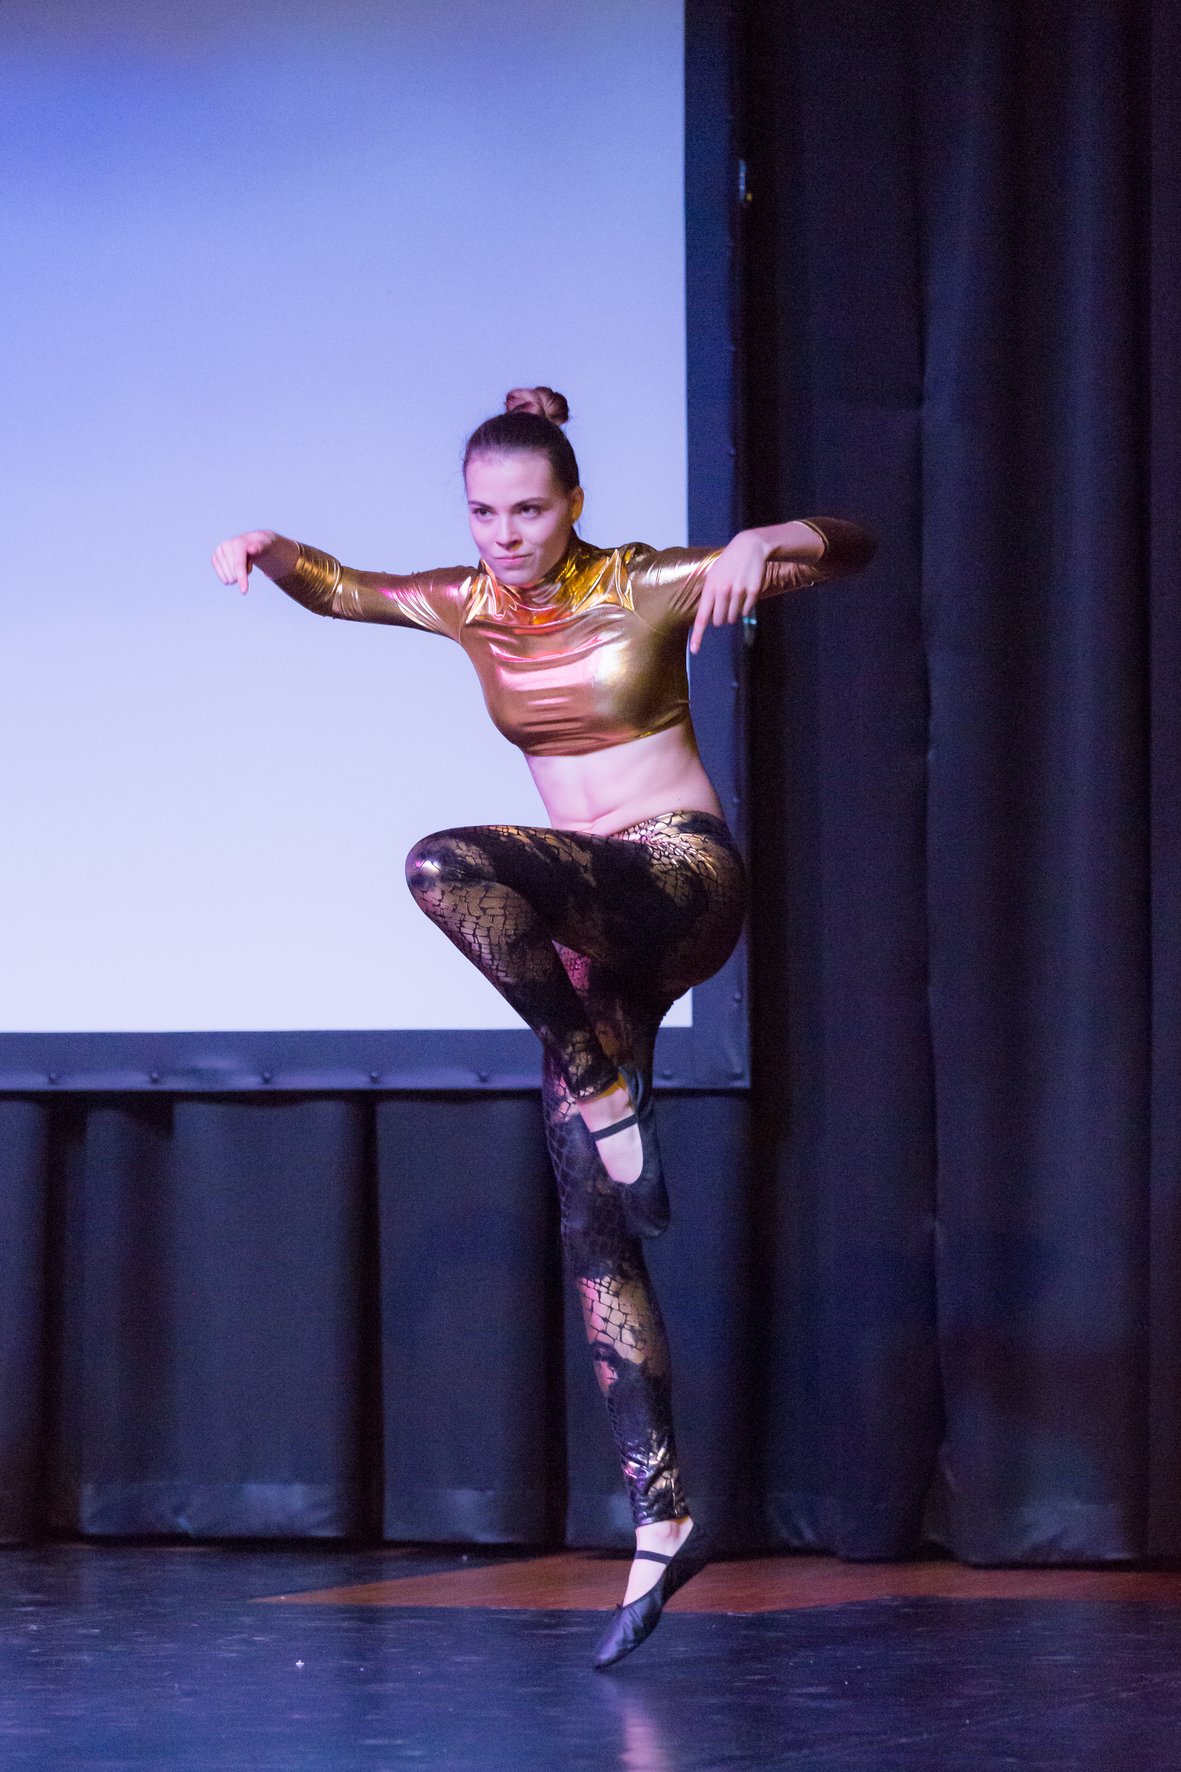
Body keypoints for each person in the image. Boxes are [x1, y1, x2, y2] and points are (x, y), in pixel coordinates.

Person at [210, 385, 876, 1665]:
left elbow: (852, 548)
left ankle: (595, 1073)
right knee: (592, 1224)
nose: (505, 536)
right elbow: (341, 588)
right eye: (483, 514)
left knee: (442, 861)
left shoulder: (643, 581)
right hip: (588, 938)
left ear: (571, 503)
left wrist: (767, 537)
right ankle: (661, 1512)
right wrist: (268, 547)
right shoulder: (466, 603)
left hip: (675, 878)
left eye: (526, 510)